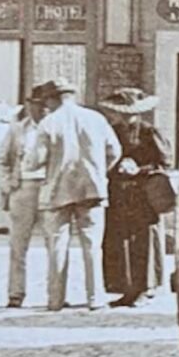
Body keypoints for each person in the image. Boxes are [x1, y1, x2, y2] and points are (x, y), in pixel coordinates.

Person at [38, 78, 121, 312]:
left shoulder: (48, 123)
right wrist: (99, 171)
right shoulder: (96, 119)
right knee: (93, 245)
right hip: (92, 190)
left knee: (57, 246)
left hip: (57, 191)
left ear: (52, 99)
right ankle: (96, 298)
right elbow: (114, 151)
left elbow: (35, 158)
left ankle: (55, 300)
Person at [100, 87, 171, 308]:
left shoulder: (149, 132)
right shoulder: (112, 131)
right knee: (120, 240)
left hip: (143, 193)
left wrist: (139, 169)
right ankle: (126, 287)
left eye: (129, 113)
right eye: (121, 113)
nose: (125, 117)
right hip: (119, 193)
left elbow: (164, 162)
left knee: (144, 240)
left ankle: (145, 287)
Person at [0, 83, 54, 309]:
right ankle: (16, 293)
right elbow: (2, 159)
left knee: (54, 243)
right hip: (23, 188)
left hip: (49, 188)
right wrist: (7, 184)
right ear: (29, 106)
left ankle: (55, 294)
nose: (40, 111)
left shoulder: (56, 128)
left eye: (44, 106)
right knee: (18, 245)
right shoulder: (17, 129)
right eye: (35, 105)